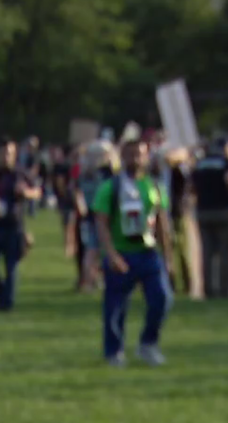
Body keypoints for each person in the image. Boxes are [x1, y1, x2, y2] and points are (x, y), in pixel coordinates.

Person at [92, 139, 175, 367]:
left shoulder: (155, 186)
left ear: (147, 156)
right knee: (115, 308)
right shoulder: (111, 187)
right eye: (129, 155)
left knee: (162, 299)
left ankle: (148, 344)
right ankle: (114, 351)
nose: (135, 159)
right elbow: (101, 222)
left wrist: (168, 256)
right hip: (121, 252)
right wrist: (110, 254)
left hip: (148, 253)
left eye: (139, 154)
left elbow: (161, 222)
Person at [0, 140, 41, 311]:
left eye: (11, 154)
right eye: (4, 153)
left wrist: (26, 193)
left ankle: (7, 303)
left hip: (14, 225)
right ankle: (0, 290)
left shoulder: (20, 174)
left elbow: (37, 191)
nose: (7, 157)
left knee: (11, 265)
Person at [190, 138, 228, 298]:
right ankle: (224, 290)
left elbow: (192, 188)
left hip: (203, 211)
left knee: (206, 253)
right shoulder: (226, 163)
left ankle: (208, 290)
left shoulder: (199, 164)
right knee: (225, 253)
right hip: (224, 211)